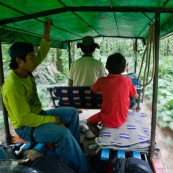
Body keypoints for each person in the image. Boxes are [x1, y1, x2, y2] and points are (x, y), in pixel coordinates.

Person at [1, 21, 92, 173]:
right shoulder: (12, 87)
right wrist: (52, 120)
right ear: (19, 61)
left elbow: (42, 52)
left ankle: (73, 153)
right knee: (63, 133)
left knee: (72, 113)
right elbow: (24, 119)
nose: (35, 60)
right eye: (31, 57)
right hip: (26, 127)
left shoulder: (25, 71)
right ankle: (84, 170)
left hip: (38, 116)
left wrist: (47, 31)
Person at [87, 53, 139, 137]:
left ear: (106, 67)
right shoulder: (127, 80)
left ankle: (100, 136)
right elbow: (136, 95)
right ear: (123, 69)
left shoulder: (101, 81)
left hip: (106, 118)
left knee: (89, 121)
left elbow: (93, 89)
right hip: (123, 117)